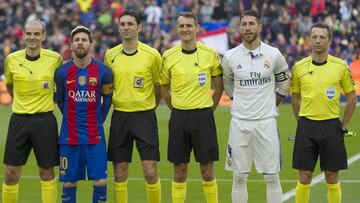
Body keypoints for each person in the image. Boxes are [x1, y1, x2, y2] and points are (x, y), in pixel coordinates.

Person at [222, 10, 290, 203]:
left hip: (266, 123)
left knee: (271, 176)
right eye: (244, 24)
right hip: (239, 123)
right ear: (239, 28)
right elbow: (228, 84)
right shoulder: (230, 57)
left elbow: (284, 83)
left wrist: (272, 103)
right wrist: (240, 101)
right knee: (239, 176)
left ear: (259, 27)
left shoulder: (274, 54)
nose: (248, 27)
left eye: (252, 23)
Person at [160, 12, 223, 203]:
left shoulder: (209, 54)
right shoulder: (169, 56)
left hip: (203, 116)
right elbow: (164, 88)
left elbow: (218, 86)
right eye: (182, 26)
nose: (185, 29)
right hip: (179, 118)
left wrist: (208, 110)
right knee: (179, 170)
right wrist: (177, 109)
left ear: (197, 28)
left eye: (189, 25)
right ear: (177, 29)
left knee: (207, 170)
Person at [291, 22, 357, 203]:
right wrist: (301, 122)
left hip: (331, 126)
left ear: (329, 41)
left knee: (331, 176)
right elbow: (295, 97)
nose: (318, 41)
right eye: (314, 37)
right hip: (306, 126)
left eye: (322, 37)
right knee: (304, 176)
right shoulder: (299, 67)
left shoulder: (340, 66)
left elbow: (352, 97)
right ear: (309, 40)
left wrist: (343, 126)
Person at [2, 20, 63, 203]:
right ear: (23, 35)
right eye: (29, 33)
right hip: (19, 120)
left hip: (45, 121)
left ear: (43, 36)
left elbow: (59, 88)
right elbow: (11, 87)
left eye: (37, 34)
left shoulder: (55, 59)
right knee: (11, 173)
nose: (32, 37)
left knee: (47, 172)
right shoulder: (11, 59)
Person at [104, 10, 162, 203]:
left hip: (145, 117)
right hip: (120, 117)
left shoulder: (152, 54)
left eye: (130, 23)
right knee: (119, 173)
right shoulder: (110, 55)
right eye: (123, 24)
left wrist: (148, 106)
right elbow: (107, 88)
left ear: (139, 27)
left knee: (150, 172)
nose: (126, 27)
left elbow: (157, 86)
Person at [55, 25, 113, 203]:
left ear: (91, 44)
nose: (80, 43)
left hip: (94, 135)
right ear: (71, 44)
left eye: (84, 40)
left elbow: (107, 100)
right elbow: (61, 100)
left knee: (101, 181)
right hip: (69, 136)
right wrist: (71, 117)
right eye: (77, 40)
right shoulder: (61, 72)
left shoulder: (104, 71)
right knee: (69, 183)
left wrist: (98, 120)